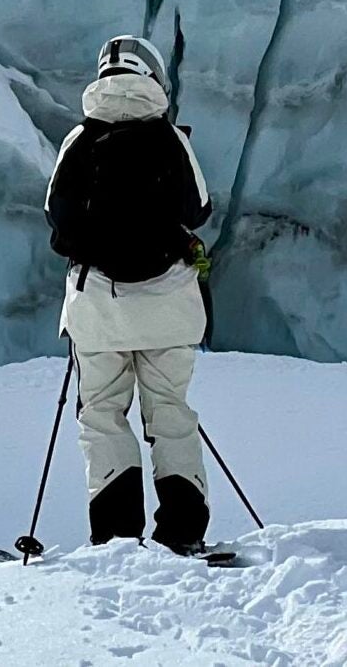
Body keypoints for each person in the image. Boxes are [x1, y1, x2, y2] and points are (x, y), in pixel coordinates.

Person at [44, 34, 213, 553]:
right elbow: (199, 208)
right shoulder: (169, 139)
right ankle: (182, 534)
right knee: (170, 412)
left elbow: (57, 217)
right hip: (168, 306)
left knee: (102, 414)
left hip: (98, 308)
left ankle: (117, 537)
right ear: (153, 75)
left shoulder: (80, 138)